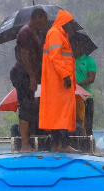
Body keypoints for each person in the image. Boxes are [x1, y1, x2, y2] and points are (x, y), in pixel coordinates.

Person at [40, 10, 81, 153]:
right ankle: (63, 144)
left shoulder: (59, 34)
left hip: (59, 81)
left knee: (58, 114)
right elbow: (55, 57)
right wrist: (65, 76)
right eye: (70, 23)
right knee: (62, 113)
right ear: (64, 22)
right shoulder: (56, 33)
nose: (71, 26)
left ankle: (58, 144)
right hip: (59, 81)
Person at [9, 8, 49, 152]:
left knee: (34, 107)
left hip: (34, 76)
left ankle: (31, 142)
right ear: (37, 17)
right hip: (23, 74)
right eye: (44, 19)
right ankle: (25, 145)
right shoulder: (25, 32)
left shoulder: (36, 33)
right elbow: (25, 55)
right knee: (25, 108)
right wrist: (32, 77)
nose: (45, 23)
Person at [72, 33, 97, 136]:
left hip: (86, 96)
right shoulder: (69, 60)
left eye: (75, 45)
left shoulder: (89, 60)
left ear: (81, 46)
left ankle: (88, 142)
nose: (73, 47)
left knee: (87, 123)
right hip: (72, 97)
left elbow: (92, 78)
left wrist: (78, 84)